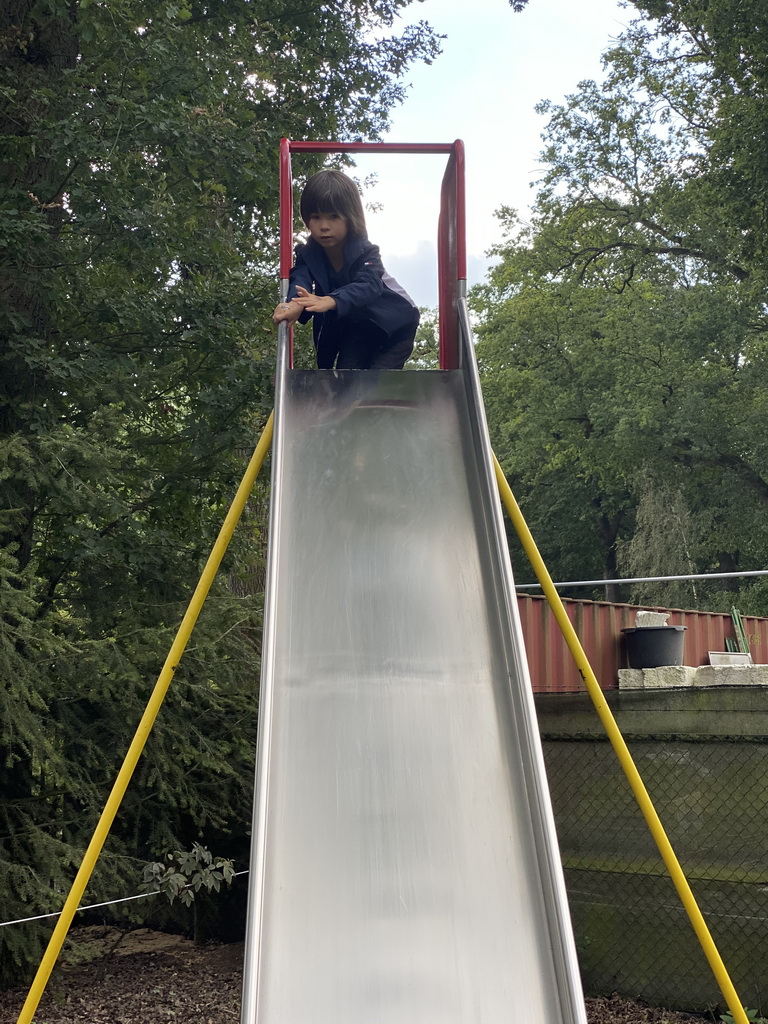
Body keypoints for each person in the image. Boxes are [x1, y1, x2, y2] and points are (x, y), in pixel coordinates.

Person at [273, 169, 419, 370]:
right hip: (358, 326)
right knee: (346, 375)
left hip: (394, 323)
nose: (324, 226)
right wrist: (294, 304)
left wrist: (331, 300)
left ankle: (379, 400)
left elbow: (370, 284)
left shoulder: (366, 252)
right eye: (316, 217)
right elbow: (300, 279)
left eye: (334, 216)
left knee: (377, 380)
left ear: (350, 217)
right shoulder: (309, 254)